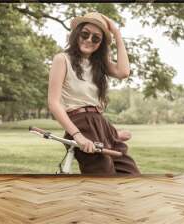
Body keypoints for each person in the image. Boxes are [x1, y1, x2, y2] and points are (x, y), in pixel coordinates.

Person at [48, 12, 140, 175]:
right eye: (85, 34)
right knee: (103, 176)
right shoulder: (62, 59)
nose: (89, 40)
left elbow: (124, 72)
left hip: (102, 124)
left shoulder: (100, 64)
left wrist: (116, 33)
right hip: (79, 123)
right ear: (77, 34)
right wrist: (78, 135)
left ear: (100, 43)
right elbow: (54, 103)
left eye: (96, 38)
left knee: (130, 173)